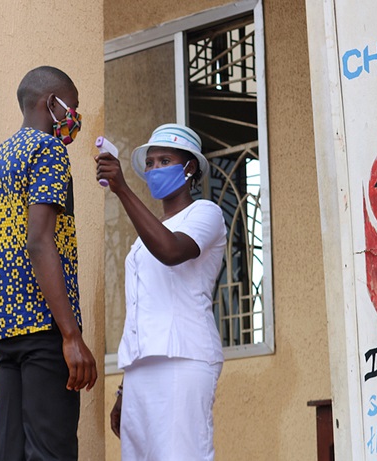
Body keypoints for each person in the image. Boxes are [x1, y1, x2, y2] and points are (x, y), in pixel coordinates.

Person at [0, 65, 97, 461]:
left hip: (6, 338)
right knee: (50, 452)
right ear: (51, 103)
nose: (74, 117)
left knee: (12, 454)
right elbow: (40, 241)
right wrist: (71, 336)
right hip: (45, 331)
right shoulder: (48, 151)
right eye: (72, 107)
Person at [96, 123, 226, 460]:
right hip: (141, 367)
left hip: (185, 358)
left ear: (190, 167)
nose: (154, 169)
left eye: (164, 160)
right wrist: (124, 388)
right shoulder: (145, 237)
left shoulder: (206, 214)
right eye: (150, 163)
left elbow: (171, 252)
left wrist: (123, 189)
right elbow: (143, 311)